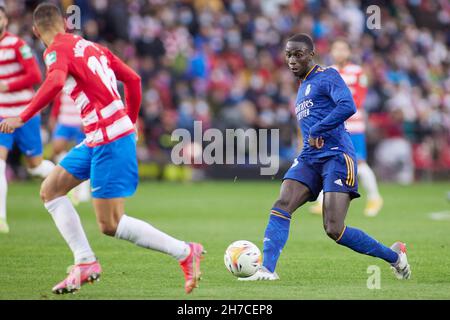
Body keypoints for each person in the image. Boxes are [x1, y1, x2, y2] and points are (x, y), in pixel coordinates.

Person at [0, 3, 204, 294]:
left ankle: (185, 252)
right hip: (99, 135)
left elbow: (55, 81)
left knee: (110, 224)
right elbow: (133, 79)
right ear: (64, 23)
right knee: (51, 190)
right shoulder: (92, 46)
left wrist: (22, 115)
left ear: (35, 31)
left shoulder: (55, 50)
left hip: (109, 138)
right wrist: (130, 122)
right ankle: (84, 262)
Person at [240, 34, 410, 281]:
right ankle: (267, 269)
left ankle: (395, 257)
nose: (292, 60)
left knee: (333, 228)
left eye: (298, 54)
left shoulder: (327, 75)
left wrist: (318, 130)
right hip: (310, 157)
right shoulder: (302, 87)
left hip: (337, 155)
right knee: (282, 204)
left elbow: (348, 105)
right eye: (288, 55)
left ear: (311, 54)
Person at [310, 39, 383, 217]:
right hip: (333, 125)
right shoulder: (328, 72)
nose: (339, 52)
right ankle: (322, 202)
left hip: (354, 125)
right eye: (336, 49)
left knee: (359, 162)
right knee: (326, 159)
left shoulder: (358, 72)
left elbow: (357, 100)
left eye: (343, 49)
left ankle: (375, 197)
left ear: (349, 52)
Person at [0, 6, 54, 234]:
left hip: (24, 114)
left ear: (5, 19)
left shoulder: (18, 45)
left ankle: (62, 178)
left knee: (34, 166)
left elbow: (35, 75)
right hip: (2, 113)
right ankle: (1, 218)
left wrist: (7, 85)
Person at [49, 91, 90, 203]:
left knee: (84, 155)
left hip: (80, 123)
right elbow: (57, 102)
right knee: (57, 149)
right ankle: (64, 178)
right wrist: (53, 117)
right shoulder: (63, 83)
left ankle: (83, 189)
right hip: (64, 121)